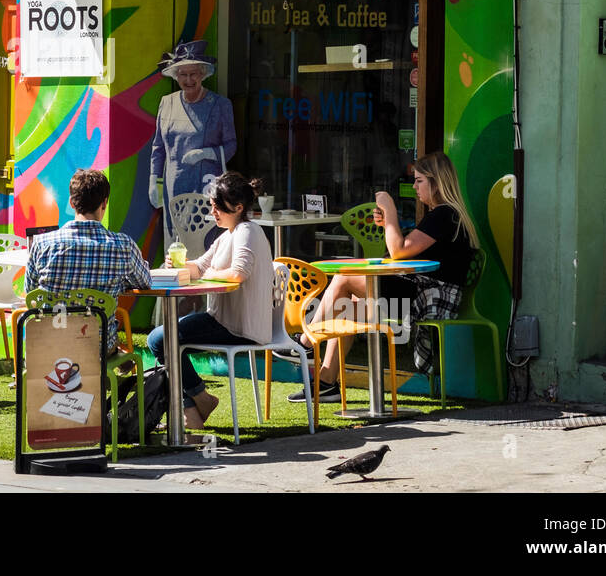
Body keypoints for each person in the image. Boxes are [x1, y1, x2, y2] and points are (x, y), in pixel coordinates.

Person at [291, 151, 475, 404]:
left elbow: (398, 251)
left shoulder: (444, 215)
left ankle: (305, 342)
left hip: (431, 297)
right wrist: (388, 223)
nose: (414, 186)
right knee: (346, 308)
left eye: (419, 180)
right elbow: (401, 250)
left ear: (437, 182)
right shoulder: (440, 215)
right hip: (423, 291)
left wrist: (390, 211)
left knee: (343, 278)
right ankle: (326, 384)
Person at [148, 172, 275, 429]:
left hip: (239, 326)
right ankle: (198, 402)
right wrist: (180, 264)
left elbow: (239, 273)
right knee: (164, 340)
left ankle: (197, 405)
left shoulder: (246, 231)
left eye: (217, 206)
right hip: (225, 321)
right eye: (212, 204)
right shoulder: (230, 233)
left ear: (238, 208)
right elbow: (201, 266)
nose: (213, 210)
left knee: (161, 340)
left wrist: (206, 273)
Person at [27, 169, 151, 351]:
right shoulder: (123, 246)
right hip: (97, 349)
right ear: (104, 204)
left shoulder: (41, 243)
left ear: (71, 203)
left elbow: (30, 292)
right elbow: (144, 282)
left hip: (49, 347)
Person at [148, 40, 237, 215]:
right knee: (176, 239)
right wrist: (154, 180)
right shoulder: (167, 103)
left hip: (206, 187)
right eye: (183, 74)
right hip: (173, 186)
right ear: (176, 75)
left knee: (203, 238)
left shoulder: (220, 105)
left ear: (203, 74)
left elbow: (231, 145)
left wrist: (206, 153)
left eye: (193, 74)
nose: (188, 80)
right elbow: (158, 148)